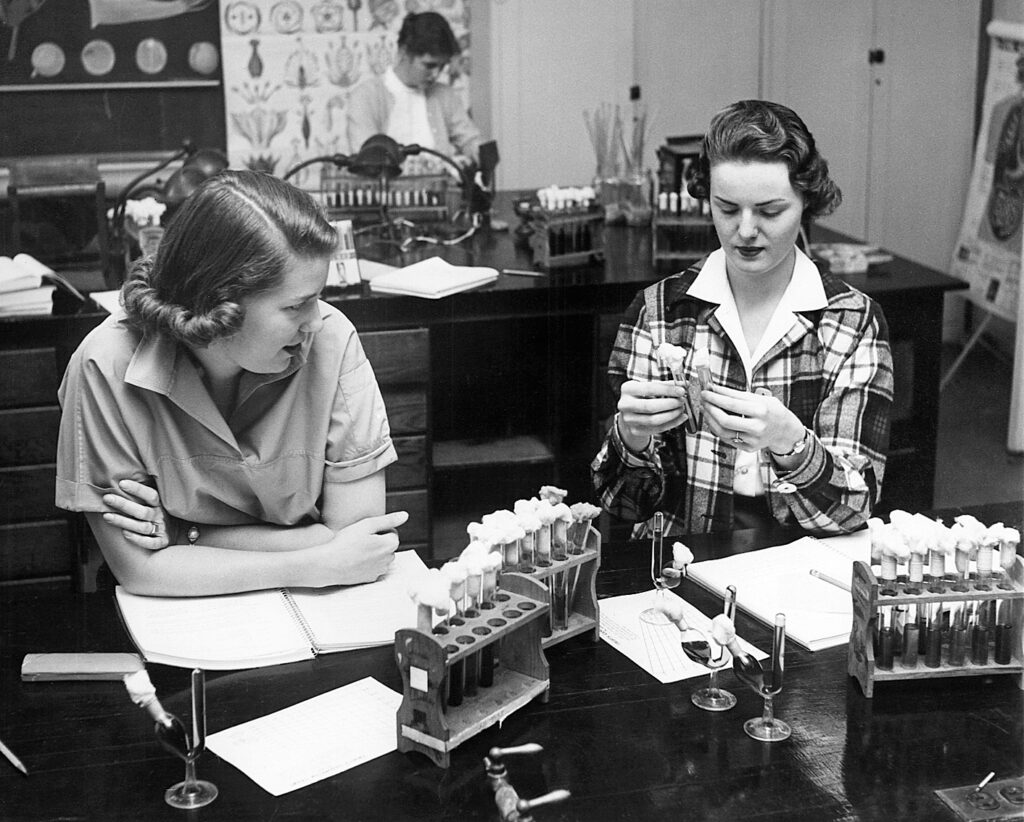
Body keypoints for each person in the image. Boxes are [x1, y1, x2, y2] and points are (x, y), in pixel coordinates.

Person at [56, 170, 407, 596]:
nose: (315, 321)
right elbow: (140, 570)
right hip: (176, 620)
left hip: (326, 610)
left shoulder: (330, 338)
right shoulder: (104, 364)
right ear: (219, 307)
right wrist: (311, 563)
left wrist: (183, 534)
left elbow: (358, 541)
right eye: (296, 305)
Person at [592, 100, 894, 537]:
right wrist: (631, 437)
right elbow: (620, 503)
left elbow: (853, 508)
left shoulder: (850, 321)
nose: (746, 230)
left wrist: (790, 443)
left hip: (799, 566)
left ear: (807, 201)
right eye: (727, 209)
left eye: (770, 211)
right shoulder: (658, 313)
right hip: (685, 563)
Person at [346, 10, 482, 169]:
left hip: (441, 191)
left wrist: (477, 153)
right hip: (385, 191)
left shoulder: (445, 95)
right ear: (404, 52)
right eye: (429, 65)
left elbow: (470, 139)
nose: (436, 74)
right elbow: (368, 160)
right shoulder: (365, 96)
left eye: (442, 66)